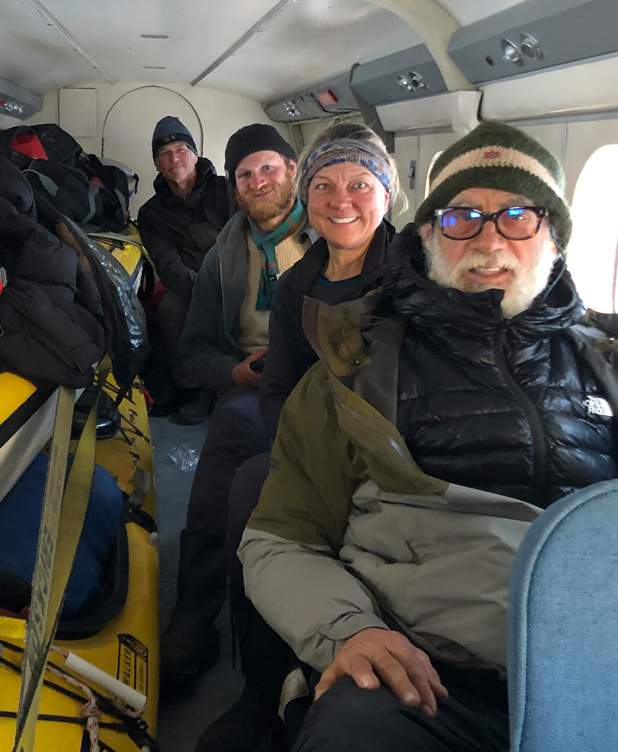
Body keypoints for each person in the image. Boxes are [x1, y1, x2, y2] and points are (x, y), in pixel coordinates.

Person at [238, 121, 618, 752]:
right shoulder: (355, 369)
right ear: (430, 234)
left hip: (602, 665)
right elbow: (279, 539)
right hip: (427, 674)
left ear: (554, 237)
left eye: (517, 215)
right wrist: (347, 631)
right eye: (463, 218)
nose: (490, 241)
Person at [197, 122, 403, 752]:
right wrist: (307, 451)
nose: (342, 199)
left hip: (395, 447)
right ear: (308, 194)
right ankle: (260, 686)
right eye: (326, 185)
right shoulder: (295, 287)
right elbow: (279, 387)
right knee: (252, 487)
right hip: (313, 442)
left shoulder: (415, 279)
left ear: (387, 194)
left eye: (360, 183)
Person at [162, 123, 313, 692]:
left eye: (268, 168)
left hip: (328, 385)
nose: (257, 182)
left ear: (292, 170)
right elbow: (193, 351)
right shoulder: (223, 257)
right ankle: (195, 614)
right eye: (245, 174)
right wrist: (233, 373)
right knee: (231, 428)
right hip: (254, 385)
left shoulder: (334, 232)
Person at [137, 116, 235, 423]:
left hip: (234, 275)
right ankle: (194, 385)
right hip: (189, 283)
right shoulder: (150, 212)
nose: (174, 158)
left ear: (194, 155)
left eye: (181, 149)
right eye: (164, 154)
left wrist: (228, 286)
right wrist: (200, 290)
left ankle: (235, 378)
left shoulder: (226, 190)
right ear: (157, 165)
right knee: (170, 310)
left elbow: (244, 240)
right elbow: (166, 262)